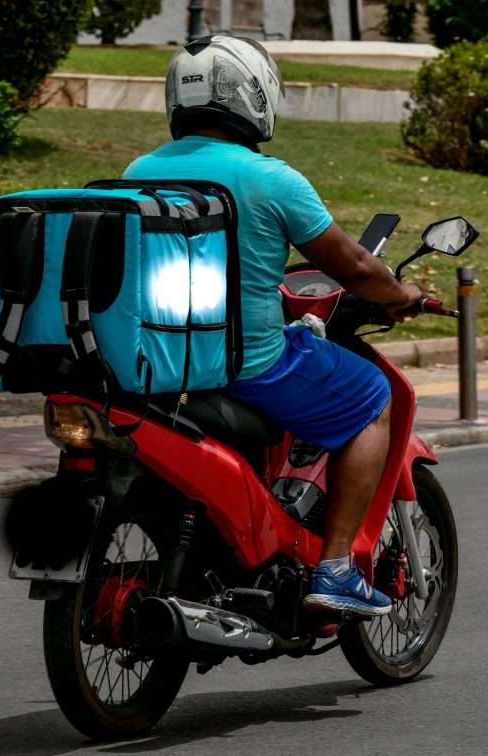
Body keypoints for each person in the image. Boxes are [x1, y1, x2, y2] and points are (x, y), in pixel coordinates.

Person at [122, 36, 423, 617]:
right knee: (373, 396)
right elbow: (357, 266)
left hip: (163, 356)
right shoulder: (272, 178)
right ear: (251, 95)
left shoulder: (140, 170)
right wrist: (401, 293)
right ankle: (335, 569)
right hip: (249, 363)